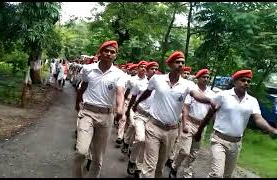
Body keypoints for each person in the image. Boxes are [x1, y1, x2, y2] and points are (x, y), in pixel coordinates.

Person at [132, 51, 215, 178]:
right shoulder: (157, 79)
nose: (181, 65)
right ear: (170, 64)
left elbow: (196, 95)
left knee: (160, 168)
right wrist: (137, 103)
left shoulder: (188, 84)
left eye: (183, 62)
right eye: (177, 62)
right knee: (150, 165)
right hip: (154, 127)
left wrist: (210, 100)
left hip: (171, 131)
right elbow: (147, 93)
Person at [194, 69, 277, 178]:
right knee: (216, 174)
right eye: (243, 80)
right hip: (219, 140)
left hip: (236, 144)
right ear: (235, 82)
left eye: (248, 81)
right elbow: (209, 114)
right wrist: (199, 131)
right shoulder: (223, 95)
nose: (246, 83)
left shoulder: (252, 101)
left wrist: (271, 130)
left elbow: (258, 119)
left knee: (227, 175)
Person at [74, 40, 126, 178]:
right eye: (106, 51)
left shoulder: (119, 74)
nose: (109, 54)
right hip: (88, 113)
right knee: (81, 151)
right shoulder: (88, 69)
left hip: (106, 117)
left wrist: (120, 109)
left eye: (112, 52)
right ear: (100, 52)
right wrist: (77, 101)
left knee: (98, 157)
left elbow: (120, 93)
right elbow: (83, 87)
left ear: (115, 55)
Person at [171, 68, 216, 178]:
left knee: (194, 152)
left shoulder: (211, 93)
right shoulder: (192, 90)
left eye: (208, 77)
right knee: (184, 151)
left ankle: (187, 173)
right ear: (198, 79)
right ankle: (174, 166)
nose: (206, 79)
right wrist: (185, 123)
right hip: (190, 122)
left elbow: (213, 112)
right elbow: (185, 108)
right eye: (204, 77)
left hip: (202, 125)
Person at [123, 61, 160, 177]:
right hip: (139, 114)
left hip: (152, 119)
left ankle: (139, 166)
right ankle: (132, 160)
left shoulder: (160, 85)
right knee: (140, 139)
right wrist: (128, 111)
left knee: (146, 143)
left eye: (156, 69)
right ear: (147, 71)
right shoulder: (139, 84)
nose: (154, 71)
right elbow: (133, 98)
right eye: (152, 69)